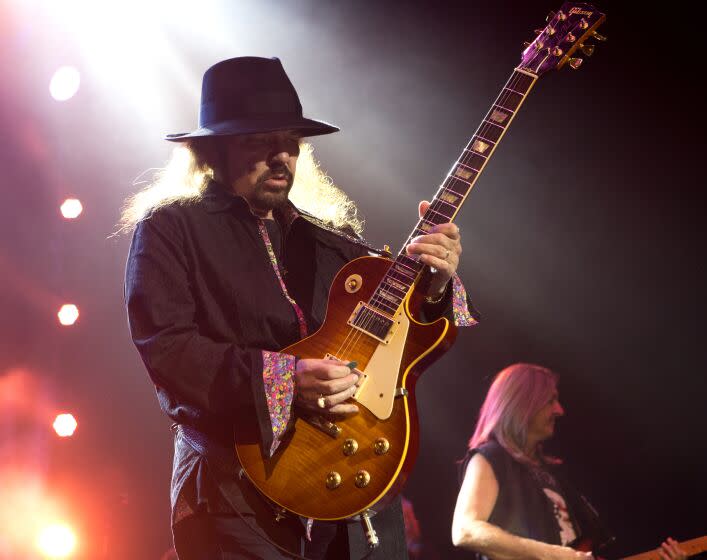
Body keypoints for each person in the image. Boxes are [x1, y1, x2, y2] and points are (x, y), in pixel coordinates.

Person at [123, 56, 479, 559]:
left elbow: (402, 348)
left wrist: (436, 283)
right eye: (258, 142)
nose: (280, 157)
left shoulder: (332, 240)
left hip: (355, 491)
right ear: (213, 151)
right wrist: (286, 382)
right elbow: (168, 350)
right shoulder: (171, 228)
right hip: (238, 489)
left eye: (289, 142)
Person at [451, 363, 687, 560]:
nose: (560, 410)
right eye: (550, 400)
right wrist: (554, 554)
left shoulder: (553, 474)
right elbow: (465, 530)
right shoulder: (490, 457)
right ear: (524, 403)